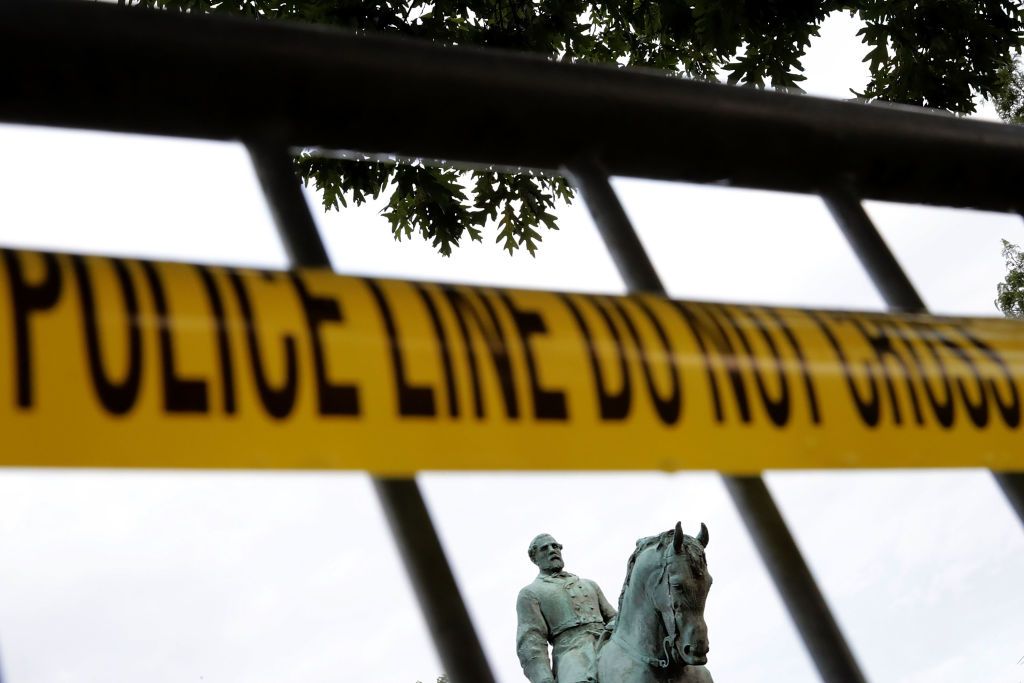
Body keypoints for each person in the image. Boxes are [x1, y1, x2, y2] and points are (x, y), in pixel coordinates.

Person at [516, 533, 617, 683]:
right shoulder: (530, 593)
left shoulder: (589, 584)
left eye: (555, 546)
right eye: (545, 548)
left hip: (608, 642)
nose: (552, 550)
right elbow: (531, 641)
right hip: (571, 653)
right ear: (534, 558)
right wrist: (544, 679)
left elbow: (613, 617)